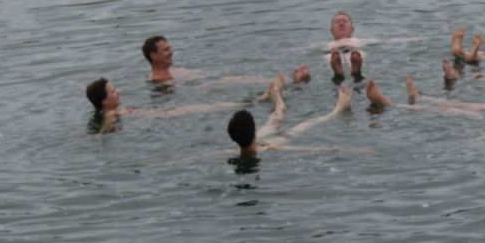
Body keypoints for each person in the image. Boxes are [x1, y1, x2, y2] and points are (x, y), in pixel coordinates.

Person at [86, 76, 262, 134]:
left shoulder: (116, 110)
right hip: (165, 116)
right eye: (113, 92)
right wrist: (100, 135)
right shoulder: (111, 113)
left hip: (164, 114)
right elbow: (108, 123)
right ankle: (251, 102)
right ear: (104, 101)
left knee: (207, 107)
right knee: (207, 107)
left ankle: (249, 102)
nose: (118, 93)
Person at [228, 84, 353, 155]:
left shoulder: (231, 152)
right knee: (303, 124)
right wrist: (356, 151)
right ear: (254, 131)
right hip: (267, 144)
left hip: (257, 142)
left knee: (272, 123)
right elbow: (313, 149)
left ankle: (279, 106)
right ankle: (336, 110)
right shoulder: (270, 149)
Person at [327, 12, 365, 82]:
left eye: (345, 22)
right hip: (335, 51)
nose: (341, 24)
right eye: (337, 22)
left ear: (352, 29)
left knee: (357, 54)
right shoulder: (328, 45)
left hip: (354, 49)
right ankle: (350, 72)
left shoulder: (359, 41)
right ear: (331, 30)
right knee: (330, 56)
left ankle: (343, 73)